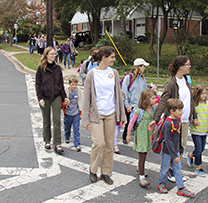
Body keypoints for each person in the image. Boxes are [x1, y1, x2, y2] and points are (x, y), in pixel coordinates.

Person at [148, 55, 198, 182]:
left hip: (185, 120)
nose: (189, 66)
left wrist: (194, 115)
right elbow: (164, 101)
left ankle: (176, 171)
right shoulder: (171, 82)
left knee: (182, 146)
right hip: (175, 122)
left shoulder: (186, 80)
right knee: (173, 148)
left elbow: (190, 100)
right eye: (188, 64)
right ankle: (171, 171)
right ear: (181, 66)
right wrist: (156, 118)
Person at [82, 46, 126, 185]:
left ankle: (105, 172)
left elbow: (118, 95)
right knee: (99, 142)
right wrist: (85, 118)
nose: (114, 59)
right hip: (96, 114)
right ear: (104, 58)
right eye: (112, 57)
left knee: (109, 145)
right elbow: (87, 96)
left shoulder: (114, 73)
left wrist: (122, 116)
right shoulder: (92, 74)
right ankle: (93, 170)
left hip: (111, 114)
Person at [35, 47, 70, 154]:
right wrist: (40, 98)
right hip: (45, 96)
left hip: (56, 96)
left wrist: (64, 97)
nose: (54, 55)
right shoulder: (41, 68)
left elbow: (61, 84)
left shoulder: (58, 68)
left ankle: (57, 143)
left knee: (57, 120)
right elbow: (37, 84)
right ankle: (47, 140)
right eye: (51, 54)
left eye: (54, 54)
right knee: (46, 120)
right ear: (46, 55)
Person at [157, 98, 194, 197]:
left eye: (181, 109)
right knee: (164, 169)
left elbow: (179, 136)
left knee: (177, 169)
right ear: (172, 111)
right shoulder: (168, 123)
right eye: (179, 110)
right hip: (167, 151)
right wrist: (174, 155)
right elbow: (167, 140)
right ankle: (161, 183)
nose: (181, 112)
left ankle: (181, 187)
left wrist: (180, 149)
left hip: (176, 150)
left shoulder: (178, 121)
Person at [126, 88, 157, 188]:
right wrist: (128, 134)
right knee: (142, 154)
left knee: (145, 153)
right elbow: (131, 123)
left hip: (149, 135)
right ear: (147, 99)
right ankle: (142, 177)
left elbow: (155, 121)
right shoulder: (139, 111)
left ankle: (140, 168)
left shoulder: (153, 109)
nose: (156, 99)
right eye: (153, 98)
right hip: (141, 135)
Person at [187, 83, 208, 176]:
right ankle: (198, 167)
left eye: (205, 93)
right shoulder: (194, 104)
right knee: (198, 148)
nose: (204, 95)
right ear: (197, 94)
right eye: (202, 93)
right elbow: (191, 116)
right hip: (196, 130)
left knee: (201, 149)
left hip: (204, 130)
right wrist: (193, 121)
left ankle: (190, 155)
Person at [122, 58, 149, 144]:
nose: (144, 68)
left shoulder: (142, 78)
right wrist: (127, 105)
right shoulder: (128, 78)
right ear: (139, 66)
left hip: (140, 105)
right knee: (130, 123)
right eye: (143, 66)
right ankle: (125, 137)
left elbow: (145, 91)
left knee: (140, 123)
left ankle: (138, 138)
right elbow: (124, 92)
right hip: (131, 105)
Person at [64, 75, 83, 152]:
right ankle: (67, 137)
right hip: (68, 113)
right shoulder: (66, 91)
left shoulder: (79, 91)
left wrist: (81, 112)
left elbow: (81, 102)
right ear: (69, 84)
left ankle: (77, 144)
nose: (74, 86)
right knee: (67, 127)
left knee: (76, 129)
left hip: (75, 113)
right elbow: (63, 101)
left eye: (76, 84)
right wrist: (65, 103)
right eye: (73, 84)